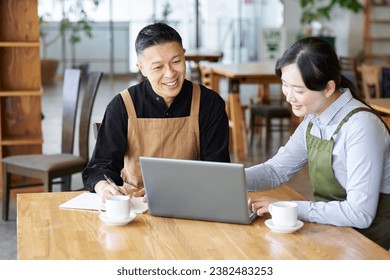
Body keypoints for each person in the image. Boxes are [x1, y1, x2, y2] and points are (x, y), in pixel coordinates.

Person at [247, 37, 390, 250]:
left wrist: (286, 208)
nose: (289, 97)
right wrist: (231, 179)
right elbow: (276, 170)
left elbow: (360, 214)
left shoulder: (361, 127)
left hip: (373, 246)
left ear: (328, 88)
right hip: (336, 234)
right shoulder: (314, 120)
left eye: (299, 90)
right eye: (285, 85)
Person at [82, 23, 230, 200]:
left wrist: (175, 189)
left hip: (190, 201)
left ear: (184, 55)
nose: (170, 74)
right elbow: (100, 167)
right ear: (142, 68)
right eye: (158, 67)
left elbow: (218, 170)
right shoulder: (122, 105)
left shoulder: (209, 104)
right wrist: (105, 187)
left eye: (176, 61)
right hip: (135, 204)